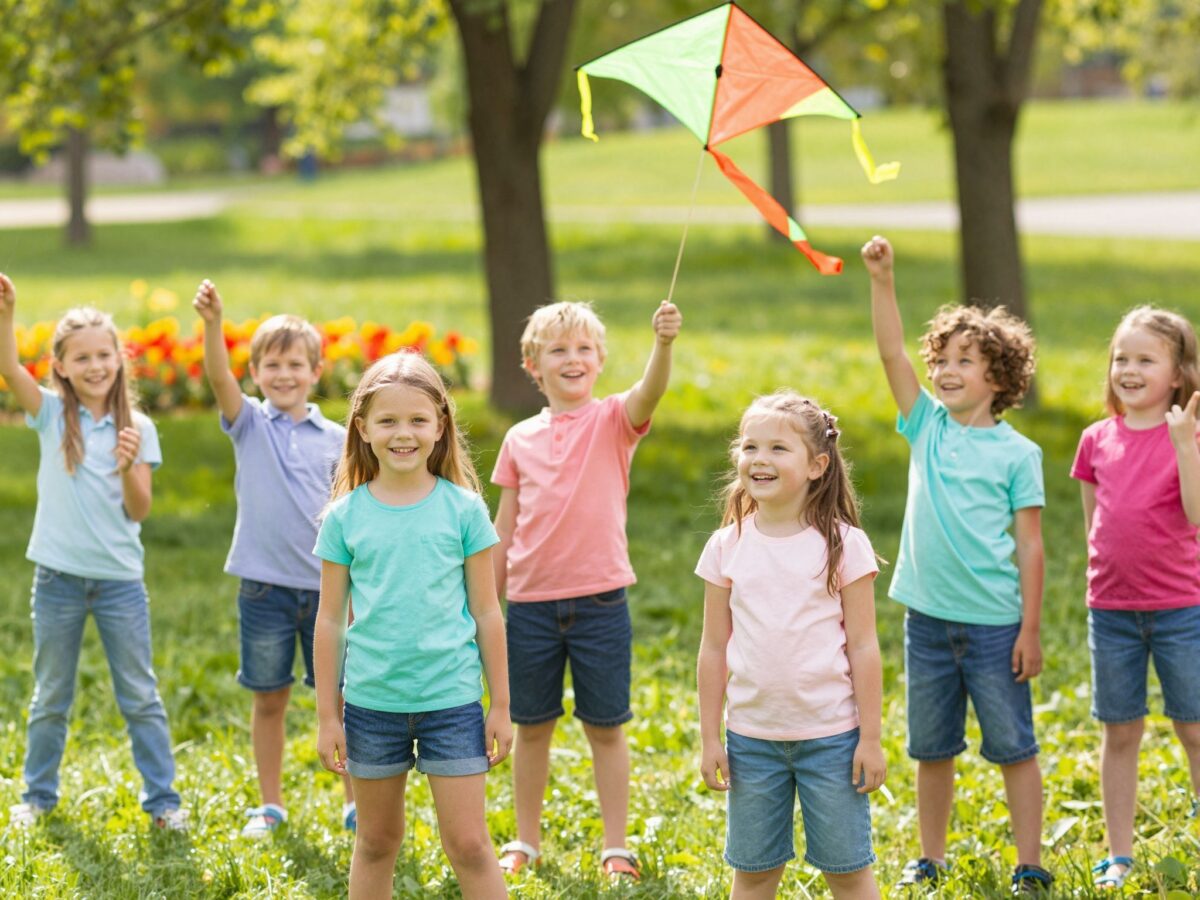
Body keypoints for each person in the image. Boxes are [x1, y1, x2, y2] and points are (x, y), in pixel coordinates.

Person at [861, 236, 1052, 893]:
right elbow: (890, 351)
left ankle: (1030, 862)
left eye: (962, 362)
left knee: (1013, 748)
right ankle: (931, 858)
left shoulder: (1017, 455)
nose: (944, 370)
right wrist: (882, 281)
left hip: (997, 627)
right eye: (940, 359)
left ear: (997, 379)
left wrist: (1030, 629)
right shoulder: (925, 427)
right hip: (928, 623)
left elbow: (1031, 545)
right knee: (931, 750)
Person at [491, 299, 682, 879]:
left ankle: (616, 844)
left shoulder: (614, 419)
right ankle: (526, 841)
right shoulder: (519, 438)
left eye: (583, 349)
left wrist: (664, 346)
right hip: (528, 606)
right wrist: (485, 608)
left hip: (600, 602)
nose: (572, 359)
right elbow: (504, 527)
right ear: (533, 364)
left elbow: (649, 392)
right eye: (558, 350)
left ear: (600, 360)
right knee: (533, 727)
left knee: (605, 726)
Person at [313, 352, 511, 899]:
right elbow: (329, 621)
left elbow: (488, 612)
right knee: (375, 843)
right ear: (363, 429)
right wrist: (327, 715)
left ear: (441, 425)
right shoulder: (345, 517)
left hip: (451, 701)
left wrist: (501, 704)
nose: (404, 433)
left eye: (418, 420)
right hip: (372, 706)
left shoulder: (465, 510)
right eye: (389, 421)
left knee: (469, 845)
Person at [0, 273, 186, 831]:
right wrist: (8, 314)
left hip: (119, 583)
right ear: (61, 366)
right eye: (81, 358)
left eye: (103, 354)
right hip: (57, 579)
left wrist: (129, 466)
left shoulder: (141, 429)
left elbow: (140, 512)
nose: (95, 366)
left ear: (119, 360)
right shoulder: (53, 415)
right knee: (51, 693)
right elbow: (10, 370)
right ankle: (37, 796)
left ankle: (164, 803)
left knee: (139, 695)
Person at [696, 391, 885, 899]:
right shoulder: (726, 544)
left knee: (847, 872)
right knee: (754, 874)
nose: (759, 459)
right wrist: (710, 737)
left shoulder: (843, 544)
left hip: (833, 740)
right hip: (752, 742)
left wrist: (871, 737)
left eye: (778, 449)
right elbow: (714, 647)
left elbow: (864, 647)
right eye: (750, 446)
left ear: (817, 465)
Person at [192, 280, 355, 838]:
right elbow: (217, 376)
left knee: (340, 700)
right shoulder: (249, 425)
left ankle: (356, 802)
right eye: (271, 365)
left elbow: (353, 515)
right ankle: (271, 804)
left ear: (315, 371)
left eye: (295, 364)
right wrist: (214, 325)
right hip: (262, 590)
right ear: (256, 372)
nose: (283, 375)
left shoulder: (337, 438)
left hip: (328, 595)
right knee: (269, 699)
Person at [1070, 306, 1200, 890]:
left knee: (1194, 727)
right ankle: (1118, 853)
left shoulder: (1190, 436)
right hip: (1114, 613)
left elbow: (1196, 517)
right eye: (1121, 357)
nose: (1129, 368)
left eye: (1146, 359)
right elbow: (1094, 525)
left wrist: (1183, 446)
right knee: (1119, 731)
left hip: (1182, 609)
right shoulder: (1096, 439)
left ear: (1177, 374)